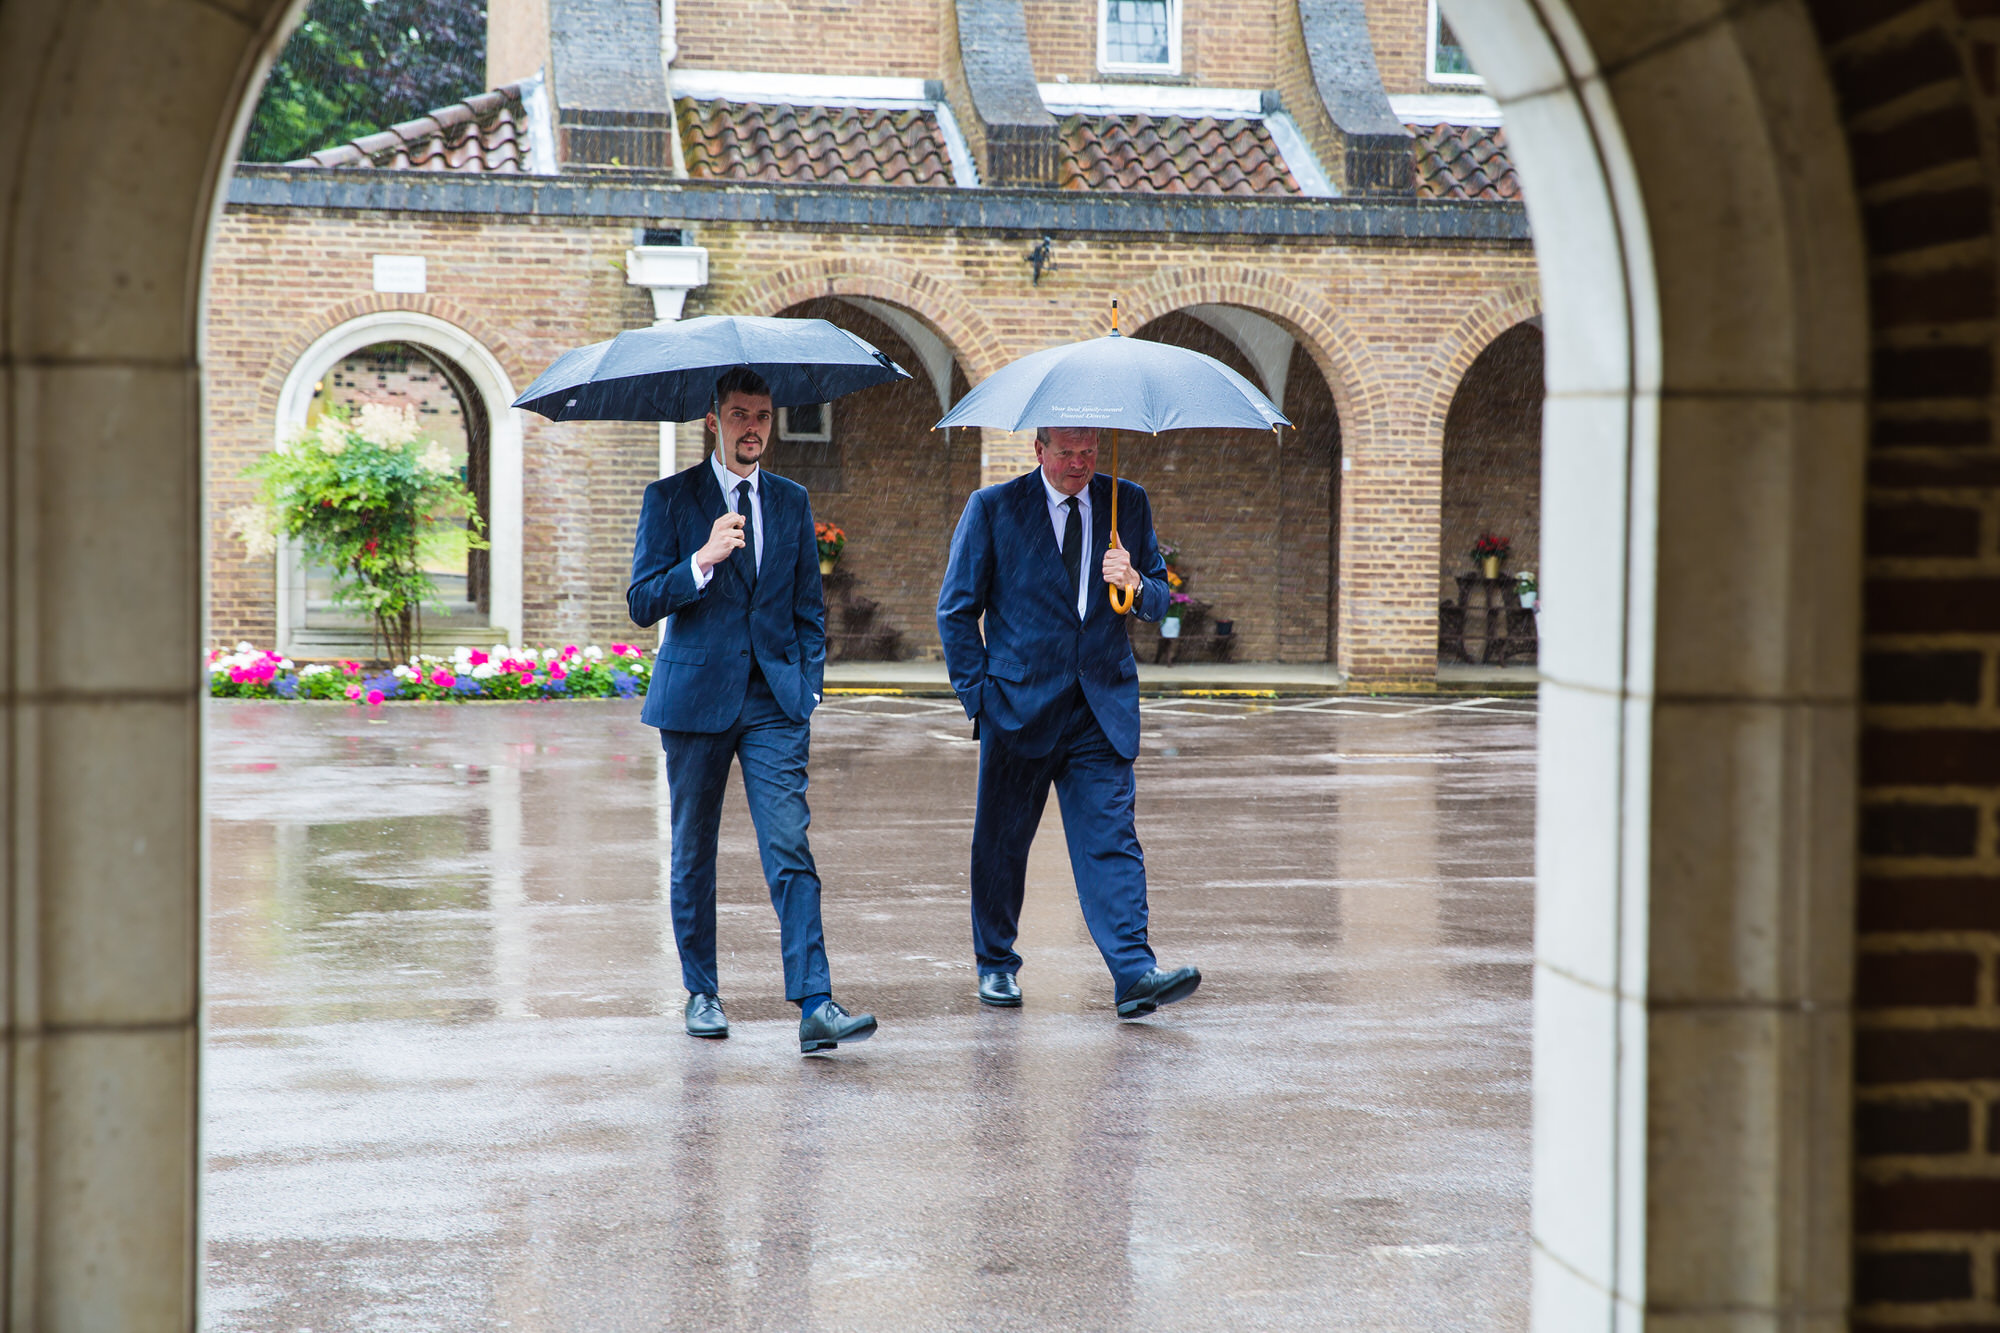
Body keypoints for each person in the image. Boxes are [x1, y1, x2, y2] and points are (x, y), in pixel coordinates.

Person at [627, 367, 877, 1055]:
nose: (753, 427)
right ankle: (702, 990)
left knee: (789, 844)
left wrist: (808, 687)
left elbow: (807, 609)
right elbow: (642, 599)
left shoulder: (792, 502)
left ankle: (816, 1002)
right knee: (693, 851)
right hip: (695, 699)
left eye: (762, 415)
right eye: (739, 414)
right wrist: (701, 561)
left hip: (774, 702)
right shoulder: (671, 498)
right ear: (714, 420)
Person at [936, 425, 1202, 1017]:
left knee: (1111, 841)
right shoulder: (994, 508)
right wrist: (979, 697)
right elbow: (956, 611)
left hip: (1098, 710)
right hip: (1018, 710)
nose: (1078, 465)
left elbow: (1159, 595)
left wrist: (1134, 583)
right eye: (1065, 453)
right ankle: (997, 964)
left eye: (1087, 453)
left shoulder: (1125, 503)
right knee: (1002, 846)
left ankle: (1134, 973)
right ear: (1039, 451)